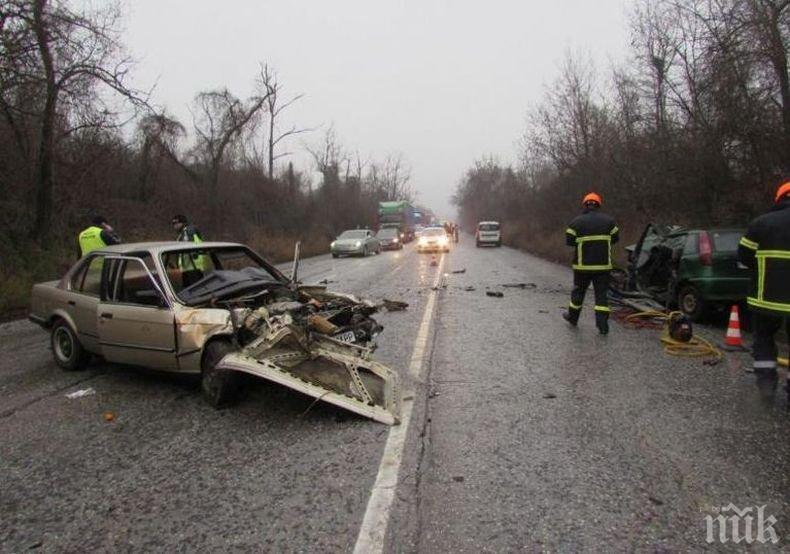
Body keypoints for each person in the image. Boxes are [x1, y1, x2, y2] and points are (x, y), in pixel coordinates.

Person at [737, 181, 790, 389]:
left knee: (764, 338)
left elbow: (743, 257)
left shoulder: (761, 223)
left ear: (779, 198)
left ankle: (766, 385)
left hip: (765, 297)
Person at [563, 192, 619, 335]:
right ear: (598, 205)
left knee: (578, 292)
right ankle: (602, 326)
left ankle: (573, 318)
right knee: (601, 295)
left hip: (582, 267)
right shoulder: (609, 221)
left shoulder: (576, 222)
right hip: (603, 267)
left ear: (585, 205)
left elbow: (569, 241)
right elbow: (615, 239)